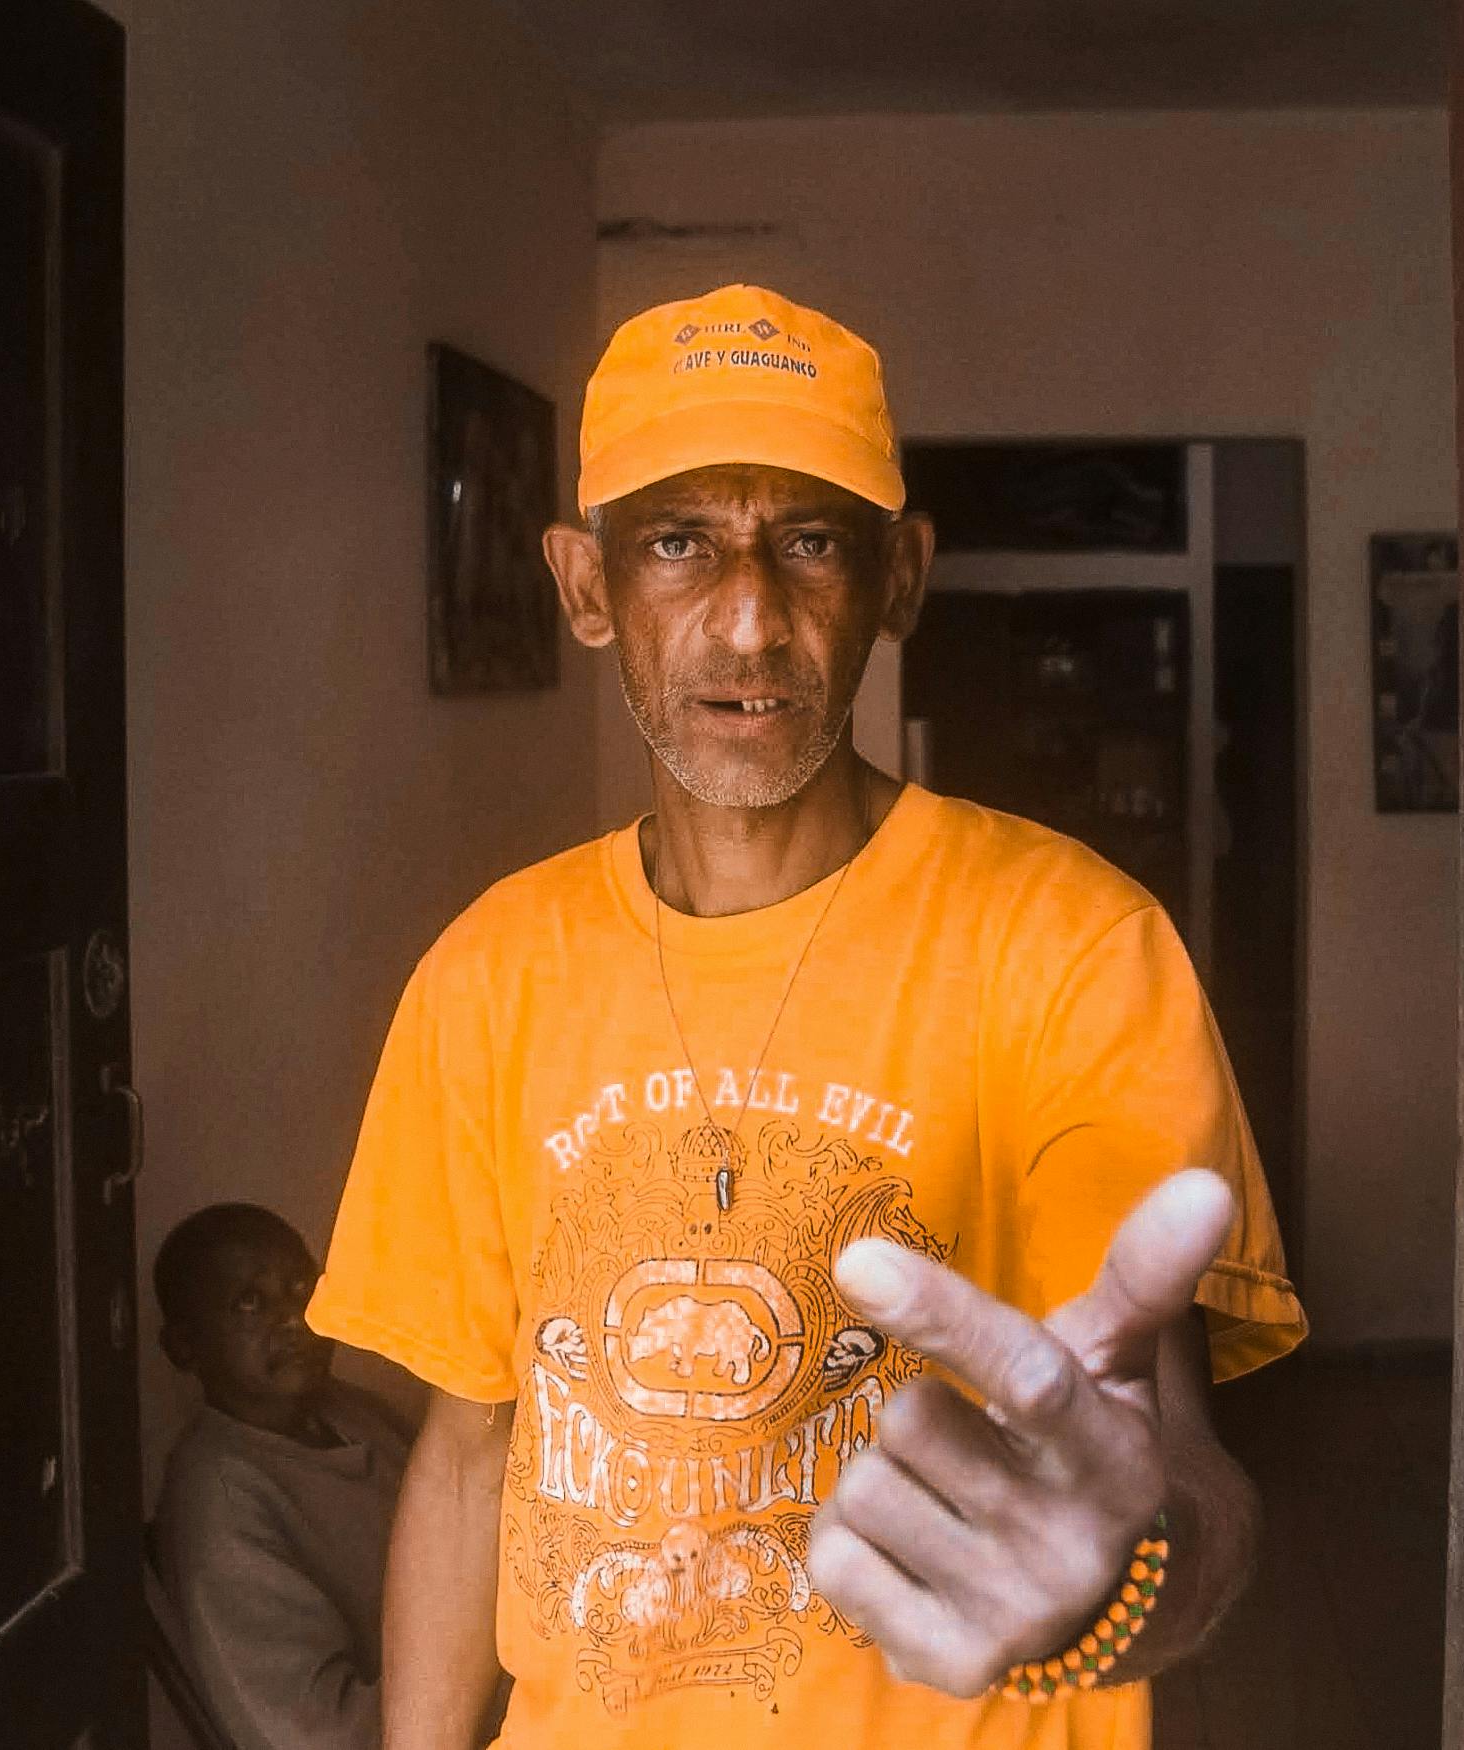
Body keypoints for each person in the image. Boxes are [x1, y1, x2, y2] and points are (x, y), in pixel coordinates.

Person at [306, 284, 1307, 1749]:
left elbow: (1177, 1482)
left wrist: (1120, 1572)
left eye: (812, 541)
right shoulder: (487, 973)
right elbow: (469, 1454)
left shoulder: (1071, 945)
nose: (751, 619)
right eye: (678, 542)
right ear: (586, 587)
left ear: (899, 579)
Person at [153, 1203, 411, 1750]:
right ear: (184, 1348)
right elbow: (319, 1738)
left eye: (301, 1286)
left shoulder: (346, 1413)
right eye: (249, 1303)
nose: (294, 1319)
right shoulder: (219, 1503)